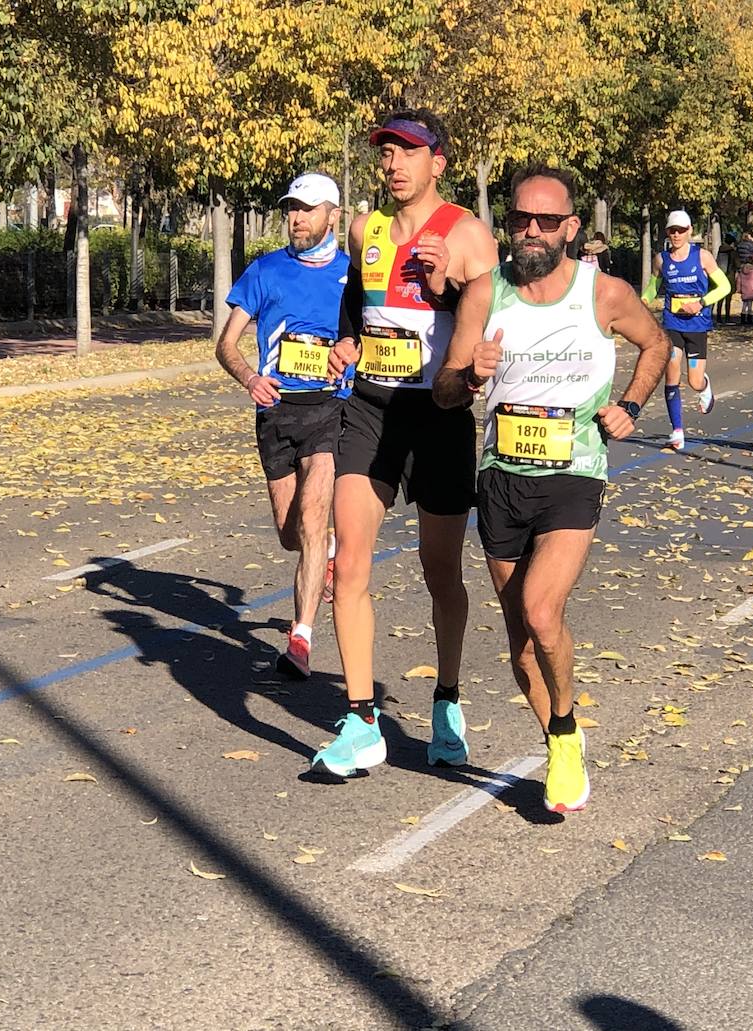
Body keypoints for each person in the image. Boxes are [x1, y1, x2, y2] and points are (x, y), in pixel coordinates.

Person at [436, 166, 669, 812]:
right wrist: (471, 376)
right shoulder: (486, 294)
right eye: (519, 219)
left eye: (545, 221)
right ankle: (561, 743)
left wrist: (632, 405)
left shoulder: (605, 294)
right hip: (501, 477)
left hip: (574, 473)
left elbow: (656, 344)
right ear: (507, 225)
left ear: (571, 227)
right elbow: (445, 390)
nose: (530, 231)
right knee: (519, 641)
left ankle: (564, 730)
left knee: (543, 611)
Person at [310, 109, 499, 779]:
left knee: (440, 572)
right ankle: (362, 719)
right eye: (386, 152)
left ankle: (447, 698)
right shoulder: (366, 229)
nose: (393, 163)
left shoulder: (471, 237)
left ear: (438, 161)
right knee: (347, 562)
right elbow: (356, 307)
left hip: (439, 415)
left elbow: (484, 330)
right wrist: (348, 340)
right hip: (369, 407)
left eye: (407, 152)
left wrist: (447, 285)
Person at [215, 173, 351, 680]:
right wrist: (250, 378)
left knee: (314, 520)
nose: (297, 218)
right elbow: (226, 345)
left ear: (332, 216)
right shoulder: (265, 270)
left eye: (308, 209)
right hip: (276, 411)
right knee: (290, 534)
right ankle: (326, 554)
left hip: (330, 408)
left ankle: (301, 636)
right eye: (292, 209)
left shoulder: (352, 274)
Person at [640, 210, 732, 450]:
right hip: (672, 323)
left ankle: (705, 387)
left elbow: (724, 286)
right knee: (671, 373)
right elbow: (653, 287)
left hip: (697, 325)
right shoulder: (661, 259)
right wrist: (643, 301)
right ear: (668, 232)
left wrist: (700, 303)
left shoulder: (702, 256)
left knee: (693, 380)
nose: (677, 234)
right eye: (673, 230)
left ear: (690, 230)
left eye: (681, 230)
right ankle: (677, 431)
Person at [735, 231, 753, 324]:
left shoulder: (740, 245)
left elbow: (739, 280)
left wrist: (738, 289)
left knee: (744, 303)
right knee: (749, 304)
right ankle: (749, 317)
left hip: (744, 287)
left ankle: (743, 317)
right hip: (751, 290)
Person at [714, 232, 738, 324]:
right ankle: (727, 317)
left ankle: (718, 317)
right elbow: (737, 264)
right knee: (728, 298)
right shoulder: (732, 252)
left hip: (720, 275)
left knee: (720, 297)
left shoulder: (721, 250)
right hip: (729, 276)